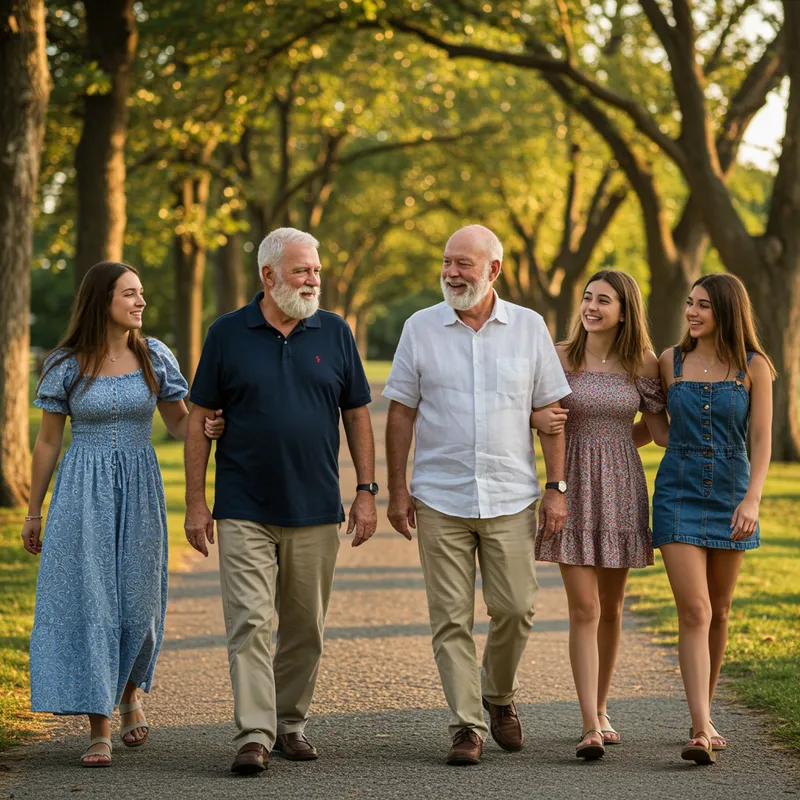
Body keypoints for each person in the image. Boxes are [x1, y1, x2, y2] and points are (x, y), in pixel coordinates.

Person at [184, 227, 378, 776]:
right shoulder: (227, 333)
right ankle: (254, 733)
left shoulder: (334, 332)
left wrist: (366, 491)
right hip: (243, 503)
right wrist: (196, 503)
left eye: (316, 270)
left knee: (304, 626)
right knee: (248, 621)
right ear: (269, 276)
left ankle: (289, 722)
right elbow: (200, 418)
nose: (313, 279)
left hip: (315, 505)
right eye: (301, 271)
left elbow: (357, 413)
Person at [21, 261, 224, 768]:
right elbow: (48, 442)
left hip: (140, 487)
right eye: (130, 294)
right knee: (91, 601)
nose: (141, 302)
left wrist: (208, 427)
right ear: (102, 300)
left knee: (139, 599)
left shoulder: (154, 355)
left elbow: (179, 424)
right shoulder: (66, 364)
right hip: (81, 491)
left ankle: (130, 693)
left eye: (141, 293)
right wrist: (33, 512)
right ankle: (99, 726)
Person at [384, 224, 571, 766]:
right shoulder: (420, 327)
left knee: (516, 608)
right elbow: (401, 411)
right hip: (439, 496)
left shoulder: (528, 327)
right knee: (450, 618)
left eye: (463, 263)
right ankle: (467, 725)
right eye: (447, 262)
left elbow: (552, 414)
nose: (451, 272)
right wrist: (397, 490)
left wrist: (556, 489)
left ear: (494, 269)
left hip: (511, 495)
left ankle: (499, 694)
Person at [531, 270, 668, 760]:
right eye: (587, 297)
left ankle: (603, 708)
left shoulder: (643, 362)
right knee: (584, 608)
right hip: (569, 485)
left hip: (622, 488)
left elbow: (658, 431)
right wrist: (540, 423)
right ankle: (589, 723)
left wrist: (612, 445)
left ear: (625, 311)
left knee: (611, 608)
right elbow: (534, 412)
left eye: (603, 300)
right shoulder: (560, 354)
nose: (591, 306)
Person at [652, 274, 774, 765]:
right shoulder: (669, 361)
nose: (692, 312)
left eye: (703, 305)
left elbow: (761, 440)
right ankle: (701, 728)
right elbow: (658, 429)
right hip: (677, 492)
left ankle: (702, 712)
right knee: (696, 610)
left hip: (731, 493)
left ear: (726, 311)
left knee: (720, 611)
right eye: (690, 303)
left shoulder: (754, 366)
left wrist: (752, 500)